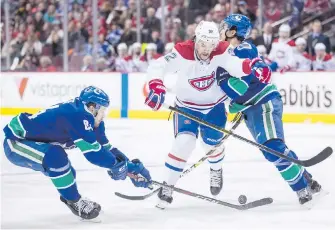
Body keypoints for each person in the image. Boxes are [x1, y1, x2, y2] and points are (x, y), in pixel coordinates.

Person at [144, 20, 270, 209]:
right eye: (203, 44)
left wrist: (251, 67)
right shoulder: (183, 51)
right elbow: (158, 66)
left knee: (211, 143)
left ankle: (216, 168)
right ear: (196, 39)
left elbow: (235, 65)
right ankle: (167, 186)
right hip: (186, 107)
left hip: (214, 107)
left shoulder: (221, 49)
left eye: (211, 45)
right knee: (183, 143)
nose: (206, 49)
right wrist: (156, 85)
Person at [217, 14, 322, 205]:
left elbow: (251, 78)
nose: (221, 29)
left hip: (263, 103)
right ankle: (308, 181)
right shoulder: (228, 52)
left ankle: (302, 189)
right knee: (274, 149)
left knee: (273, 149)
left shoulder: (244, 48)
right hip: (253, 107)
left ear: (234, 31)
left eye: (226, 26)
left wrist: (238, 100)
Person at [3, 86, 152, 220]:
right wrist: (117, 166)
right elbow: (94, 154)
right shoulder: (77, 115)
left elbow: (106, 149)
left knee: (66, 170)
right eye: (102, 109)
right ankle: (74, 201)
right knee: (55, 157)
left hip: (29, 141)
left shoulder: (92, 120)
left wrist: (131, 166)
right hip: (16, 142)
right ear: (92, 106)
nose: (104, 114)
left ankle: (73, 198)